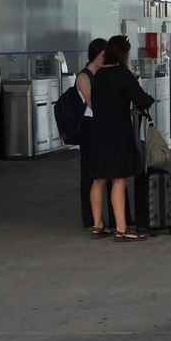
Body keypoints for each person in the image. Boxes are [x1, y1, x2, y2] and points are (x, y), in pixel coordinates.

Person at [85, 35, 155, 242]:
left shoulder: (99, 75)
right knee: (119, 179)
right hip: (117, 133)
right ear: (122, 53)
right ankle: (122, 229)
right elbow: (142, 99)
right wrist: (141, 105)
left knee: (99, 179)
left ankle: (97, 225)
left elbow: (102, 105)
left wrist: (126, 111)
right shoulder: (123, 74)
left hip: (98, 132)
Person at [76, 37, 108, 230]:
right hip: (90, 126)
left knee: (109, 173)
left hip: (103, 123)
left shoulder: (104, 73)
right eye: (103, 55)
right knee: (89, 173)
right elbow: (92, 102)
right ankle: (90, 219)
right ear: (95, 55)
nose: (105, 59)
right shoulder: (84, 76)